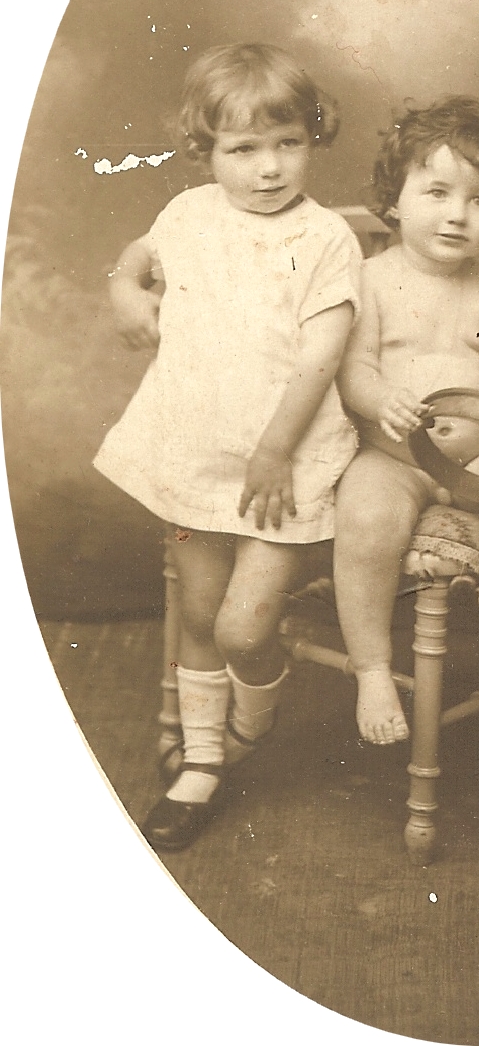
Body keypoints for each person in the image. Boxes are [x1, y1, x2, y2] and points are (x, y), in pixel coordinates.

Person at [95, 43, 361, 851]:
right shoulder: (188, 215)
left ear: (313, 137)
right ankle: (204, 761)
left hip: (281, 463)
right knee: (202, 613)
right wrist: (124, 285)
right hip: (195, 452)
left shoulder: (325, 238)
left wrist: (275, 452)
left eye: (288, 143)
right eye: (243, 149)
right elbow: (141, 253)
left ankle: (252, 719)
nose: (269, 167)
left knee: (244, 629)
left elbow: (322, 357)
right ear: (204, 149)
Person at [334, 96, 479, 745]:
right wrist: (380, 400)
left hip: (478, 458)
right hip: (394, 458)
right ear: (395, 198)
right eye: (437, 192)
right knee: (364, 515)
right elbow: (353, 368)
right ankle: (373, 669)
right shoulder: (370, 280)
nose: (457, 214)